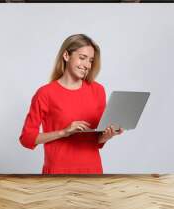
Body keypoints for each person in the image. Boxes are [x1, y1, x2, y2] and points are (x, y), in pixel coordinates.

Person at [19, 34, 123, 174]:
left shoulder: (97, 90)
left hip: (92, 173)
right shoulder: (45, 93)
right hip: (57, 174)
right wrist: (64, 132)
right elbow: (27, 139)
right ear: (66, 55)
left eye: (90, 60)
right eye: (82, 58)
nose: (87, 65)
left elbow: (96, 140)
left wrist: (107, 136)